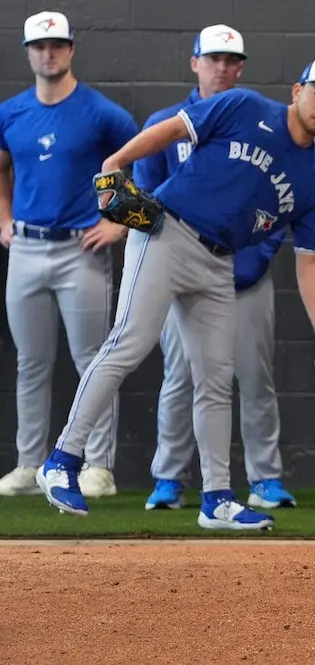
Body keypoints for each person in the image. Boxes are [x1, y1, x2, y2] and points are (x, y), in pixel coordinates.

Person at [34, 56, 315, 530]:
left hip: (218, 261)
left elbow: (310, 261)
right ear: (297, 90)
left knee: (215, 379)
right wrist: (118, 161)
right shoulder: (244, 106)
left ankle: (217, 498)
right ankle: (62, 459)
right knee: (129, 343)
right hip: (165, 233)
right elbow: (173, 129)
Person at [135, 26, 297, 512]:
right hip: (177, 275)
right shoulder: (165, 124)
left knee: (253, 377)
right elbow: (148, 198)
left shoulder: (260, 123)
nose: (222, 68)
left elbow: (281, 205)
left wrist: (251, 262)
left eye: (231, 60)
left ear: (241, 67)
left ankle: (264, 478)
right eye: (213, 59)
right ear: (194, 63)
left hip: (244, 277)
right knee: (180, 378)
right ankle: (168, 477)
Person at [0, 11, 136, 499]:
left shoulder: (102, 113)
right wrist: (4, 218)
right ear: (29, 52)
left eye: (57, 45)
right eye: (39, 46)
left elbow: (139, 164)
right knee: (30, 363)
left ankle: (97, 465)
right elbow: (1, 167)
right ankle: (29, 464)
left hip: (82, 251)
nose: (48, 53)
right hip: (27, 250)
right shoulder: (10, 112)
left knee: (93, 360)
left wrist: (117, 222)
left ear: (71, 49)